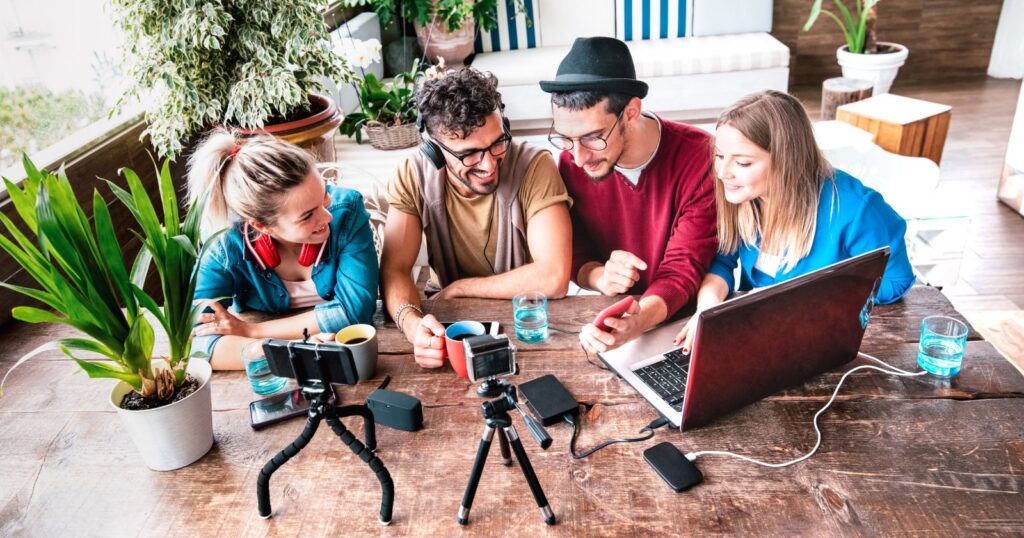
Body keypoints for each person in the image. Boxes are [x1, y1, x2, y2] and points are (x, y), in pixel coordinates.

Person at [674, 90, 916, 351]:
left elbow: (895, 280)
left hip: (819, 337)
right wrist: (706, 309)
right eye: (720, 156)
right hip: (755, 334)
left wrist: (817, 299)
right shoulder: (741, 195)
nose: (722, 173)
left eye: (742, 163)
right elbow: (722, 261)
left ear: (786, 161)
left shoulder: (855, 209)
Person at [381, 67, 573, 369]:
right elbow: (394, 270)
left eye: (498, 142)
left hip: (523, 322)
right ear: (434, 150)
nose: (489, 164)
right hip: (449, 322)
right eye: (469, 154)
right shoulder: (413, 173)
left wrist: (460, 288)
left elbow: (554, 277)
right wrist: (411, 324)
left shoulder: (535, 166)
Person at [540, 37, 718, 354]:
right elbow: (575, 252)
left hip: (682, 328)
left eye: (593, 137)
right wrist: (599, 276)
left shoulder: (700, 157)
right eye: (565, 138)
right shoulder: (571, 160)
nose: (578, 158)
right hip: (610, 319)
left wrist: (637, 322)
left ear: (631, 113)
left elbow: (682, 273)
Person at [188, 130, 379, 370]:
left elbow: (354, 312)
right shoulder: (223, 248)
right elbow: (197, 342)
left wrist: (251, 330)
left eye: (324, 197)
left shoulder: (347, 210)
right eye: (308, 215)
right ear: (261, 226)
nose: (327, 216)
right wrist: (293, 351)